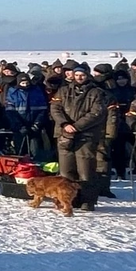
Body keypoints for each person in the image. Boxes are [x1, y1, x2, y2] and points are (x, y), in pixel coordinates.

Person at [50, 63, 111, 200]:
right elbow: (55, 108)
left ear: (87, 75)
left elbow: (97, 113)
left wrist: (77, 126)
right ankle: (68, 199)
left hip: (86, 135)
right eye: (76, 75)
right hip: (65, 134)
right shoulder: (63, 91)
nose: (79, 77)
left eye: (82, 75)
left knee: (86, 171)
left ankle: (87, 200)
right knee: (66, 171)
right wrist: (65, 124)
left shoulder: (96, 92)